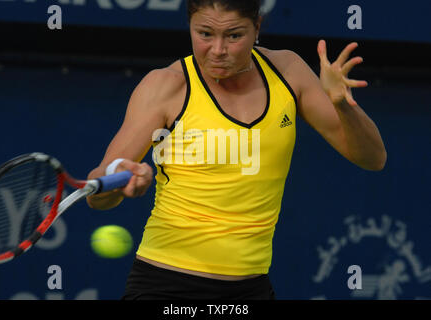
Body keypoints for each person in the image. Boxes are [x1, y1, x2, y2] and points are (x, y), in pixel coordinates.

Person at [87, 0, 387, 300]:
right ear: (189, 26)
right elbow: (98, 195)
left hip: (250, 288)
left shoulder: (288, 71)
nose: (217, 50)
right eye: (205, 34)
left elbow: (373, 159)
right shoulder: (165, 86)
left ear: (257, 27)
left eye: (233, 36)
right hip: (165, 286)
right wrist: (118, 178)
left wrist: (342, 107)